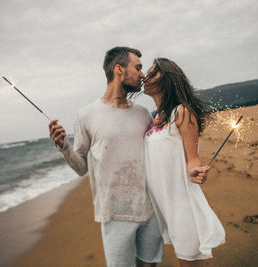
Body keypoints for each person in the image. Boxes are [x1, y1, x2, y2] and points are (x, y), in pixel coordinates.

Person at [48, 47, 163, 267]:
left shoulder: (143, 113)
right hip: (115, 214)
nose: (142, 74)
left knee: (149, 264)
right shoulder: (86, 115)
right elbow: (82, 167)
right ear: (119, 69)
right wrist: (64, 148)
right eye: (137, 67)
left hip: (151, 209)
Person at [143, 58, 225, 267]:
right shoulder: (156, 118)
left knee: (188, 262)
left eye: (152, 74)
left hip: (182, 204)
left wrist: (195, 171)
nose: (145, 77)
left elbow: (193, 158)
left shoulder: (182, 112)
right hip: (164, 205)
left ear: (167, 79)